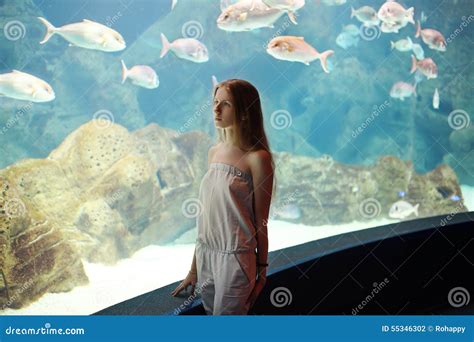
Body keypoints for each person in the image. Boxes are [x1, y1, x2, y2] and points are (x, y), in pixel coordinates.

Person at [171, 79, 276, 315]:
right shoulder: (214, 152)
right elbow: (207, 218)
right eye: (215, 102)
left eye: (226, 104)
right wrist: (194, 271)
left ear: (246, 113)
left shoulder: (258, 158)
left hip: (236, 259)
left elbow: (262, 220)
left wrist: (262, 269)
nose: (216, 110)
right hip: (207, 255)